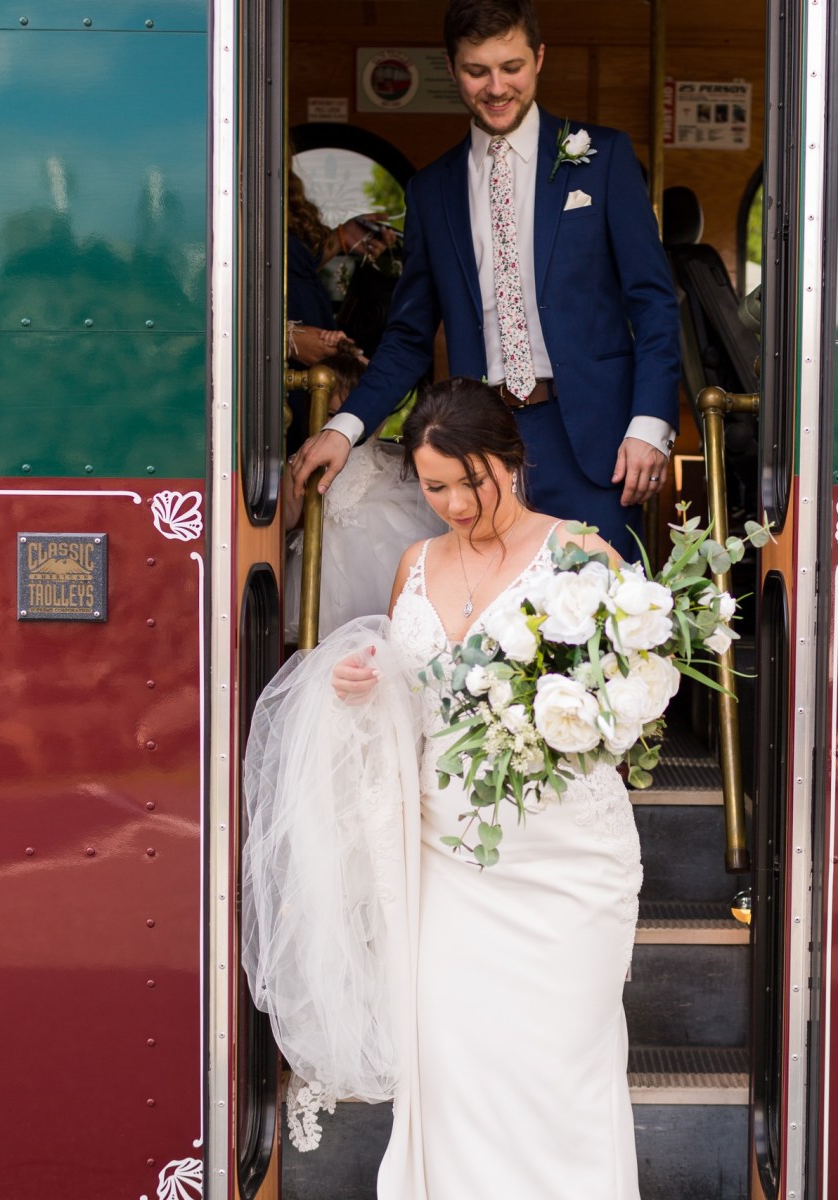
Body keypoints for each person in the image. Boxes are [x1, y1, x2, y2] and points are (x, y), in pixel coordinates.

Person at [243, 378, 644, 1197]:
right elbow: (409, 694)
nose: (456, 503)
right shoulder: (412, 566)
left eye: (472, 482)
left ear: (513, 461)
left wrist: (570, 716)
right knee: (455, 1064)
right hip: (448, 860)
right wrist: (363, 687)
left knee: (560, 1073)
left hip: (569, 862)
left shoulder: (584, 555)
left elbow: (631, 702)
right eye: (435, 487)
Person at [290, 0, 681, 556]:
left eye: (512, 67)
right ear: (452, 70)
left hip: (599, 445)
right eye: (477, 71)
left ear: (539, 59)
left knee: (601, 623)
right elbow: (408, 337)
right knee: (487, 632)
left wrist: (649, 425)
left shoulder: (604, 157)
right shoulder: (431, 190)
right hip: (477, 447)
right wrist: (343, 428)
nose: (496, 87)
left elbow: (655, 304)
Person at [282, 347, 446, 644]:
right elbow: (290, 517)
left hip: (382, 543)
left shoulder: (386, 458)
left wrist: (371, 385)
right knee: (331, 637)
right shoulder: (305, 456)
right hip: (328, 563)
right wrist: (288, 480)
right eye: (330, 415)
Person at [286, 169, 396, 450]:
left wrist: (344, 238)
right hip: (282, 375)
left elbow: (296, 269)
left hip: (320, 361)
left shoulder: (281, 206)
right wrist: (286, 339)